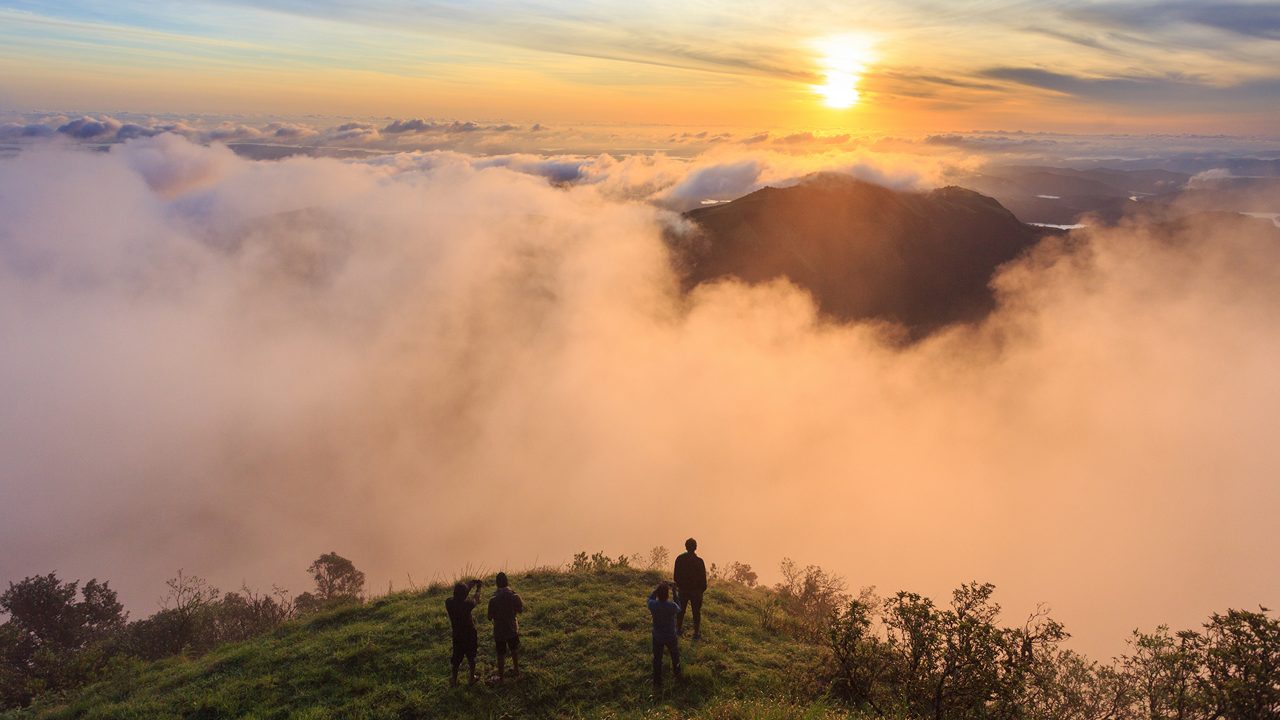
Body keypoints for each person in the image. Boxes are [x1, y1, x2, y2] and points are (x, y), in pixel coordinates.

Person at [486, 572, 525, 682]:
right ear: (507, 582)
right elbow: (520, 610)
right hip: (512, 628)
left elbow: (489, 617)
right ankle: (516, 669)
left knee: (501, 653)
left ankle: (501, 677)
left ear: (497, 584)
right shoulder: (514, 596)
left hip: (499, 630)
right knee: (514, 649)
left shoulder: (493, 600)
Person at [444, 579, 482, 686]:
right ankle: (471, 678)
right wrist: (478, 587)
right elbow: (476, 598)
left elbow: (460, 595)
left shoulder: (449, 603)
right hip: (470, 634)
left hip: (457, 635)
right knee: (471, 657)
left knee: (456, 659)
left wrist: (470, 585)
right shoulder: (468, 604)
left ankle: (454, 680)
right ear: (465, 595)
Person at [647, 581, 683, 690]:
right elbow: (679, 608)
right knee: (675, 656)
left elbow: (649, 599)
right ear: (668, 594)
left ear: (658, 594)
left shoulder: (653, 605)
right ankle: (677, 675)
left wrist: (656, 590)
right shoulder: (671, 606)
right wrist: (675, 593)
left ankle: (657, 681)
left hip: (657, 636)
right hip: (671, 636)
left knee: (657, 658)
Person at [673, 537, 707, 639]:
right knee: (696, 612)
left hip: (683, 590)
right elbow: (703, 579)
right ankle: (696, 633)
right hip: (696, 592)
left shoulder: (679, 559)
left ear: (686, 547)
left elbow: (676, 577)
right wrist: (701, 590)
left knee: (680, 611)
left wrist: (680, 587)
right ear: (696, 547)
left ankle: (678, 629)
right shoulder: (699, 561)